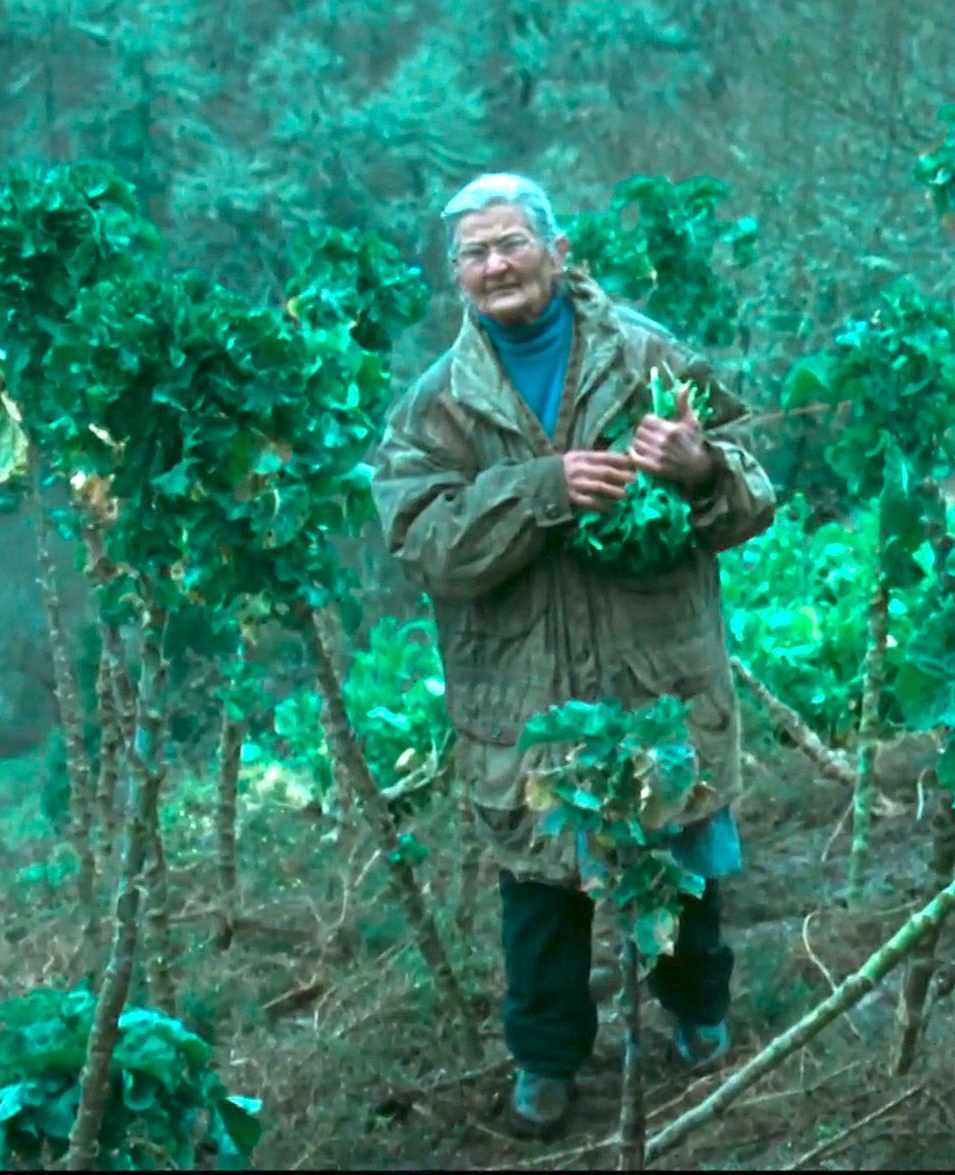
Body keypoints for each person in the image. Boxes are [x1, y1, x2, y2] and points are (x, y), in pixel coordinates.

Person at [370, 172, 776, 1140]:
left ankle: (699, 1020)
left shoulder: (647, 355)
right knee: (542, 892)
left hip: (656, 680)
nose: (495, 264)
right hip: (524, 698)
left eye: (511, 243)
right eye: (474, 253)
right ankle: (546, 1067)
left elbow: (753, 486)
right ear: (455, 276)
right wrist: (539, 489)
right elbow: (423, 544)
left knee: (681, 862)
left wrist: (700, 467)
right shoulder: (437, 405)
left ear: (557, 251)